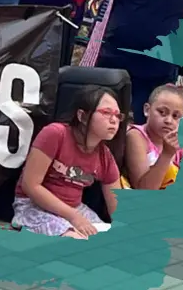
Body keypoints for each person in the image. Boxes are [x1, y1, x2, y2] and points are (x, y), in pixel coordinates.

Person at [13, 86, 123, 238]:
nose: (114, 120)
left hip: (75, 209)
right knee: (75, 239)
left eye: (118, 116)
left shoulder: (105, 156)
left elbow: (119, 208)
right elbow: (31, 186)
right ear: (82, 116)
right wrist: (73, 217)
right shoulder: (55, 134)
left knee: (110, 240)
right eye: (106, 112)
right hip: (33, 207)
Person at [121, 84, 183, 190]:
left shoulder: (179, 144)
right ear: (147, 110)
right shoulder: (136, 136)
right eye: (162, 113)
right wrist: (166, 154)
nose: (168, 121)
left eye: (175, 116)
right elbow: (143, 189)